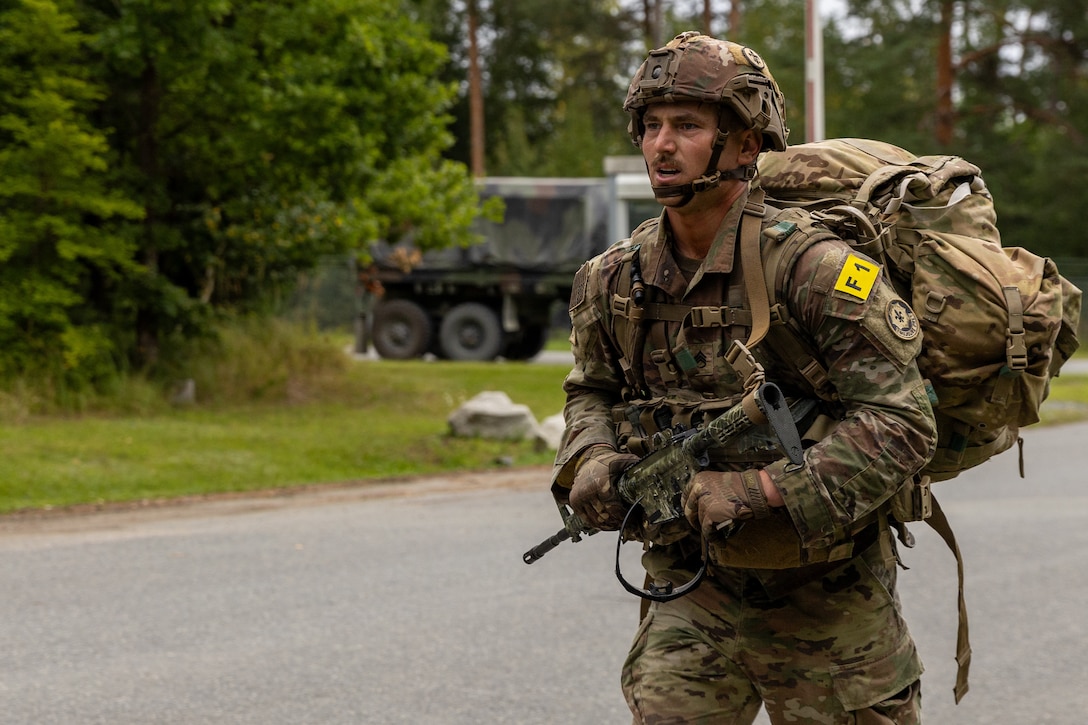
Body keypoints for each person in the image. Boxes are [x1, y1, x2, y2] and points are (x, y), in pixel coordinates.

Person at [549, 32, 937, 724]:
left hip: (827, 600)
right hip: (691, 589)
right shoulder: (613, 279)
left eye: (689, 126)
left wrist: (759, 489)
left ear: (746, 146)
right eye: (652, 125)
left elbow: (903, 422)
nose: (661, 145)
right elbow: (592, 390)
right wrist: (590, 457)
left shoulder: (814, 269)